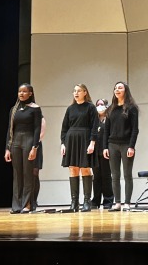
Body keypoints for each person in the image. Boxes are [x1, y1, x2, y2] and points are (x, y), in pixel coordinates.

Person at [4, 83, 42, 214]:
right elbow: (10, 129)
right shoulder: (14, 109)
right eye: (20, 91)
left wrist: (34, 147)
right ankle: (17, 205)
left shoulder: (35, 108)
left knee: (27, 173)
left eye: (25, 91)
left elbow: (37, 128)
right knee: (17, 174)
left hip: (29, 140)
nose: (21, 94)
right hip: (15, 142)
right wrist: (7, 149)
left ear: (30, 93)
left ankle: (27, 204)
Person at [102, 82, 139, 212]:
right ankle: (117, 203)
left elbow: (135, 129)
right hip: (112, 145)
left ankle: (127, 203)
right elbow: (106, 130)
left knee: (127, 174)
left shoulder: (131, 108)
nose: (117, 90)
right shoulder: (110, 109)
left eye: (120, 88)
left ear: (125, 91)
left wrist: (131, 146)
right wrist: (105, 147)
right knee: (115, 175)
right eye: (115, 88)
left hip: (126, 145)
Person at [60, 83, 97, 212]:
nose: (76, 93)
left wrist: (92, 142)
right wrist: (63, 143)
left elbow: (94, 126)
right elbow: (64, 128)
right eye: (74, 91)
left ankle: (87, 201)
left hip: (85, 139)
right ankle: (74, 202)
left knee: (85, 169)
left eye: (79, 91)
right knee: (73, 169)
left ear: (85, 92)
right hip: (71, 140)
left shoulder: (91, 107)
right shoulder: (70, 109)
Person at [92, 98, 114, 210]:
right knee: (96, 177)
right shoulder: (94, 120)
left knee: (106, 176)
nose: (99, 106)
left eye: (102, 104)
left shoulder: (109, 119)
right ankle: (95, 201)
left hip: (106, 151)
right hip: (95, 152)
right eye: (98, 104)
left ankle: (108, 200)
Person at [30, 116, 46, 212]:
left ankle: (34, 200)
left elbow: (42, 133)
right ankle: (27, 200)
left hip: (36, 145)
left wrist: (33, 143)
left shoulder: (40, 117)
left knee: (35, 173)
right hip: (24, 144)